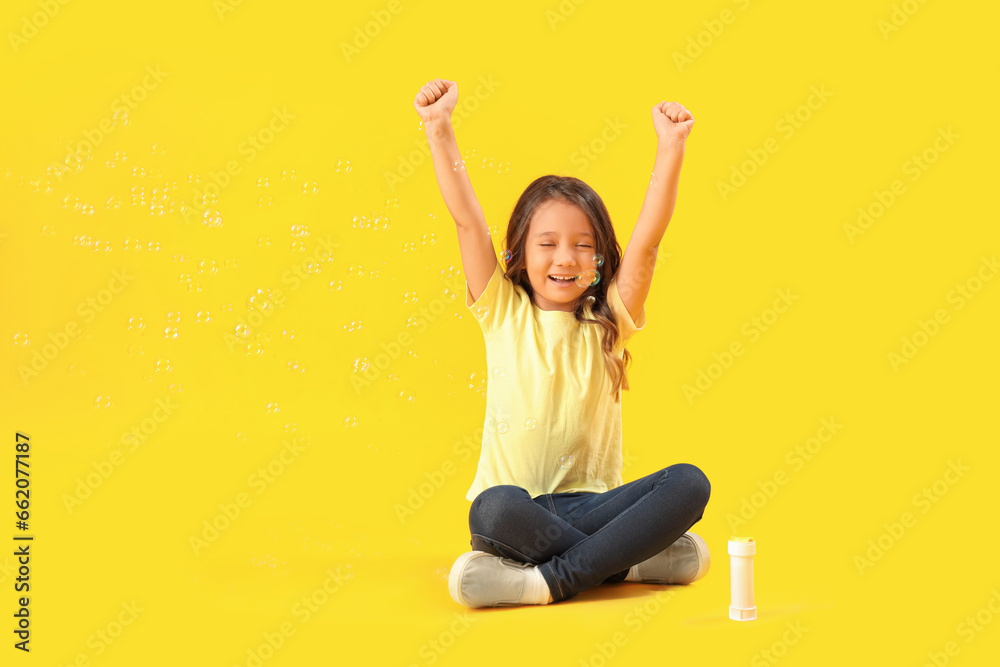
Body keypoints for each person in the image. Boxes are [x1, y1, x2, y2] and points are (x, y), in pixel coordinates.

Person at [413, 78, 710, 608]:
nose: (565, 259)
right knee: (491, 508)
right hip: (519, 516)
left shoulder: (610, 320)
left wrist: (672, 146)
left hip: (593, 509)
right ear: (520, 254)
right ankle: (629, 560)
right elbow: (466, 223)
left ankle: (544, 583)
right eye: (547, 244)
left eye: (582, 246)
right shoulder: (502, 311)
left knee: (689, 483)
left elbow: (647, 243)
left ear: (600, 260)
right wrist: (439, 128)